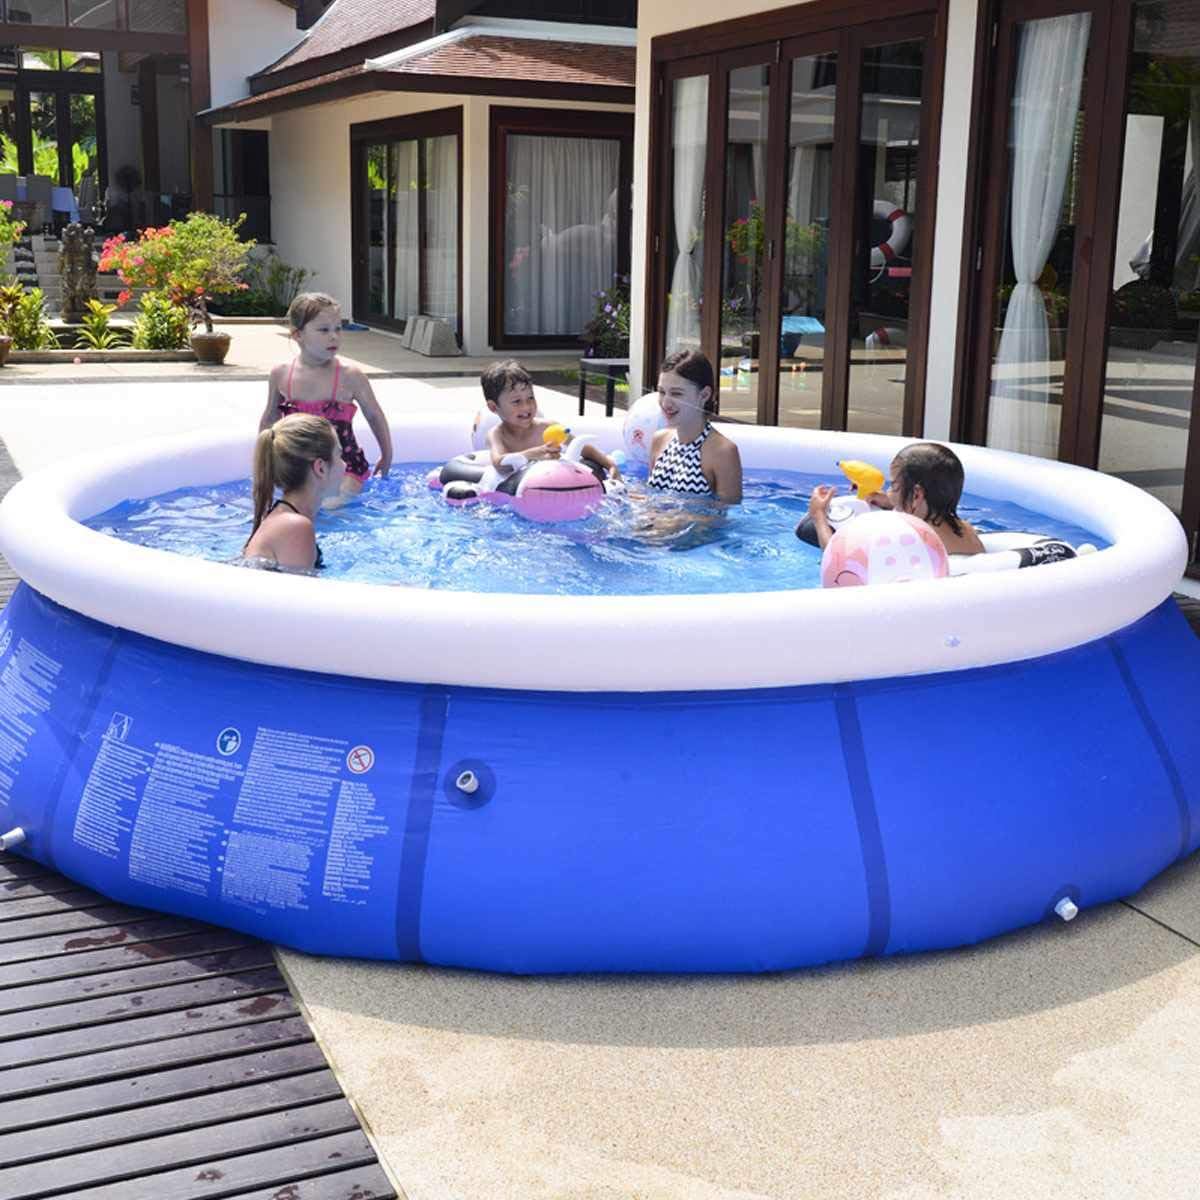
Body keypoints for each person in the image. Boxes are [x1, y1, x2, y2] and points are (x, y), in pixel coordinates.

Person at [260, 292, 392, 500]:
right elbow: (270, 418)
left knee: (331, 504)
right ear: (298, 335)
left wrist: (387, 453)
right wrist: (264, 463)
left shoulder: (350, 376)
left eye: (338, 329)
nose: (334, 336)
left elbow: (374, 415)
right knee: (297, 505)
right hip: (300, 467)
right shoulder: (282, 374)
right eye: (324, 330)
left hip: (345, 466)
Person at [805, 441, 986, 556]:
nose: (889, 492)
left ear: (916, 495)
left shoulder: (905, 539)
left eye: (893, 486)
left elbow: (838, 560)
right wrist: (893, 501)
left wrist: (819, 516)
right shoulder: (967, 529)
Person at [481, 359, 621, 482]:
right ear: (493, 407)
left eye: (530, 398)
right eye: (517, 401)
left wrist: (611, 465)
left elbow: (581, 448)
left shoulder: (548, 427)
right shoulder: (497, 435)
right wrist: (534, 453)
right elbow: (499, 462)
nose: (527, 406)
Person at [242, 414, 344, 572]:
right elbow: (301, 588)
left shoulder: (284, 518)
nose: (345, 465)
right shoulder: (295, 526)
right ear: (321, 468)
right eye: (339, 456)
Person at [647, 350, 742, 504]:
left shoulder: (723, 452)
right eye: (662, 392)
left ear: (704, 395)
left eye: (677, 394)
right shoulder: (659, 440)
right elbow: (651, 499)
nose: (665, 403)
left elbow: (727, 512)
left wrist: (672, 517)